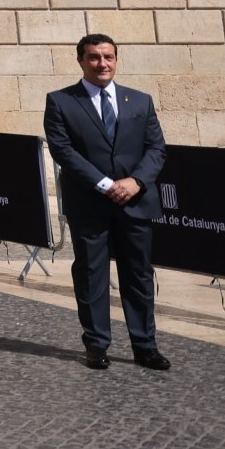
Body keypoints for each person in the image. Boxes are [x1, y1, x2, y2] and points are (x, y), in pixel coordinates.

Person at [42, 34, 170, 372]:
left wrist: (135, 181)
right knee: (90, 275)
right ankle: (96, 345)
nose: (103, 63)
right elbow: (63, 151)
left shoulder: (140, 102)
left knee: (138, 276)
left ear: (116, 59)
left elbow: (156, 149)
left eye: (109, 57)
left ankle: (145, 345)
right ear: (81, 61)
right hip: (90, 204)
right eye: (95, 57)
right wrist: (105, 184)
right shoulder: (60, 101)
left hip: (136, 202)